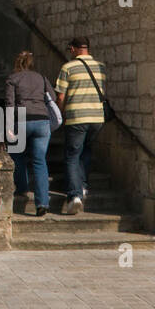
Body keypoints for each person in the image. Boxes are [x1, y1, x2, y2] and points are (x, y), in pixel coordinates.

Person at [55, 36, 107, 215]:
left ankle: (74, 195)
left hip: (77, 117)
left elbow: (60, 97)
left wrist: (60, 114)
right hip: (97, 118)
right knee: (86, 151)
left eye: (70, 49)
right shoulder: (101, 68)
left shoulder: (67, 67)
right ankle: (83, 187)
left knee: (71, 155)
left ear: (74, 49)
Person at [5, 50, 55, 217]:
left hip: (22, 120)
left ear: (17, 63)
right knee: (40, 161)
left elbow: (10, 103)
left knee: (17, 155)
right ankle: (42, 203)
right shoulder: (41, 78)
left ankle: (22, 188)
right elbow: (52, 97)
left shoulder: (13, 79)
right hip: (42, 121)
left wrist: (9, 126)